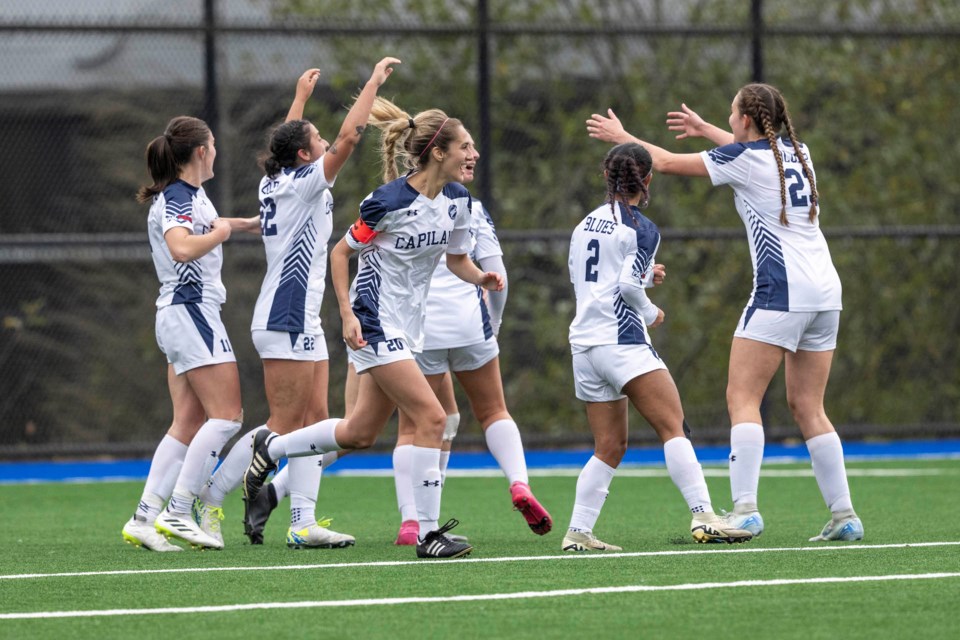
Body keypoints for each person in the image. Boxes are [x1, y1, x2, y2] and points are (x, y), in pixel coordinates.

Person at [586, 83, 863, 542]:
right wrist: (705, 130)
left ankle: (746, 510)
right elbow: (748, 151)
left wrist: (623, 137)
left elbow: (668, 163)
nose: (729, 119)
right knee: (810, 406)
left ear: (747, 121)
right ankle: (844, 515)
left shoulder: (746, 160)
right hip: (826, 293)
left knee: (742, 399)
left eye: (732, 113)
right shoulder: (797, 151)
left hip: (781, 292)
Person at [242, 97, 503, 559]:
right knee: (434, 418)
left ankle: (274, 445)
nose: (474, 153)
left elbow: (457, 259)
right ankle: (427, 534)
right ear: (438, 152)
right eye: (466, 145)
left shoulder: (459, 202)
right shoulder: (388, 201)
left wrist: (480, 276)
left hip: (409, 325)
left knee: (360, 433)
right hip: (375, 320)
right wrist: (345, 313)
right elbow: (340, 254)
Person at [197, 58, 400, 550]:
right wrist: (371, 83)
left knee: (315, 422)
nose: (328, 144)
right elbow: (350, 138)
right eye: (318, 141)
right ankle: (208, 500)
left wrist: (301, 101)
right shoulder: (307, 180)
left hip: (299, 316)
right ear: (308, 154)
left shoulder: (277, 179)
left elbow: (289, 143)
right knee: (283, 424)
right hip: (283, 316)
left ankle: (302, 523)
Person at [564, 142, 753, 551]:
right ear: (647, 180)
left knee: (609, 446)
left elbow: (595, 280)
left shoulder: (584, 224)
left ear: (605, 176)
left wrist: (644, 276)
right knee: (674, 427)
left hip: (584, 344)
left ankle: (578, 531)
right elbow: (628, 287)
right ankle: (704, 516)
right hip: (622, 341)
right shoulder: (642, 227)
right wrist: (650, 310)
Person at [121, 115, 259, 551]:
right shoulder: (180, 196)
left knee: (187, 422)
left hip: (179, 314)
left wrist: (244, 224)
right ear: (201, 151)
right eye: (213, 143)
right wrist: (222, 232)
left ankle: (144, 518)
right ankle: (179, 511)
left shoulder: (187, 195)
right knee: (227, 416)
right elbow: (182, 246)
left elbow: (204, 227)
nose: (216, 149)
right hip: (191, 311)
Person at [388, 194, 552, 545]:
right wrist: (493, 324)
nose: (472, 154)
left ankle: (411, 522)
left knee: (413, 425)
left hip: (420, 328)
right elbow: (497, 274)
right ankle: (519, 483)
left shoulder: (393, 201)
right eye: (464, 147)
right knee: (493, 411)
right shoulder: (468, 205)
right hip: (468, 322)